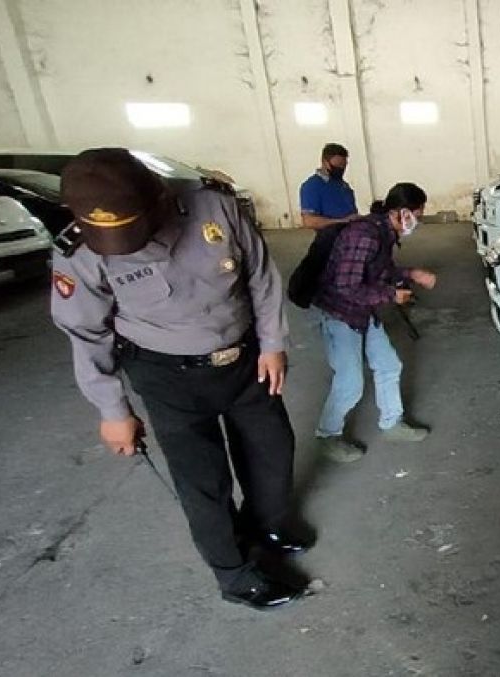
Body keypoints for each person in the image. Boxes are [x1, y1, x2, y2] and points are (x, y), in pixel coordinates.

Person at [50, 148, 308, 610]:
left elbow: (260, 276)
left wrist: (273, 343)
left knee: (273, 449)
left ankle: (265, 525)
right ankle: (235, 574)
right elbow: (85, 332)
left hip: (245, 359)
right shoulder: (79, 248)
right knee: (203, 481)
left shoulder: (214, 205)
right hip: (166, 375)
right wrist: (113, 411)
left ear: (160, 197)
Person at [313, 182, 437, 462]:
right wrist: (392, 295)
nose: (419, 219)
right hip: (340, 313)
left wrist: (411, 273)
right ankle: (327, 434)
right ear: (402, 212)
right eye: (418, 212)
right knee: (350, 382)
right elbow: (346, 286)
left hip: (363, 311)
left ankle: (392, 423)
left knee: (389, 365)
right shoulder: (364, 235)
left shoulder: (383, 231)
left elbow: (380, 269)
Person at [299, 143, 358, 231]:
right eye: (337, 166)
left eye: (343, 166)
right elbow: (309, 221)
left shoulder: (343, 185)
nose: (341, 170)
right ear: (325, 162)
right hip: (330, 237)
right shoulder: (312, 186)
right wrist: (342, 221)